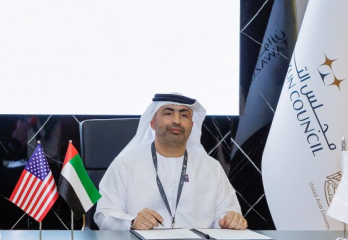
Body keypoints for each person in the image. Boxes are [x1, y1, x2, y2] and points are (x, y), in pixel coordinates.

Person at [94, 93, 247, 231]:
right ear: (153, 122)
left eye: (184, 115)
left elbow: (227, 214)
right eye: (168, 113)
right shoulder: (125, 164)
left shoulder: (211, 167)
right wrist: (132, 222)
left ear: (192, 126)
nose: (176, 121)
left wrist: (230, 220)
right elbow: (104, 214)